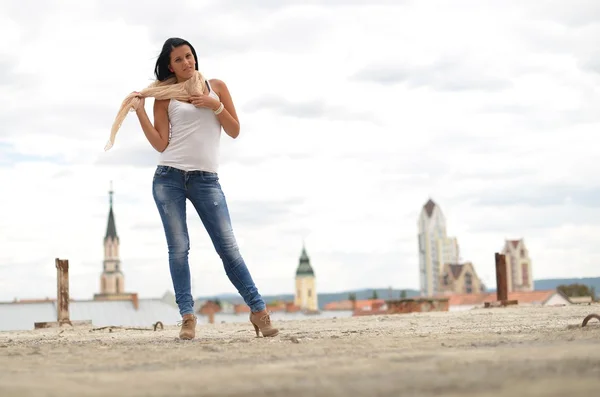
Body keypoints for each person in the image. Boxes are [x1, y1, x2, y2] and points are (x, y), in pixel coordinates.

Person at [133, 37, 278, 340]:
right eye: (179, 60)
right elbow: (161, 143)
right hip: (168, 177)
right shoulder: (164, 96)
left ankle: (258, 310)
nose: (187, 63)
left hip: (206, 180)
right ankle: (187, 317)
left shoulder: (216, 87)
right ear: (169, 66)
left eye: (189, 56)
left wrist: (216, 105)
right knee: (179, 249)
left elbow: (234, 130)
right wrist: (140, 112)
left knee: (228, 248)